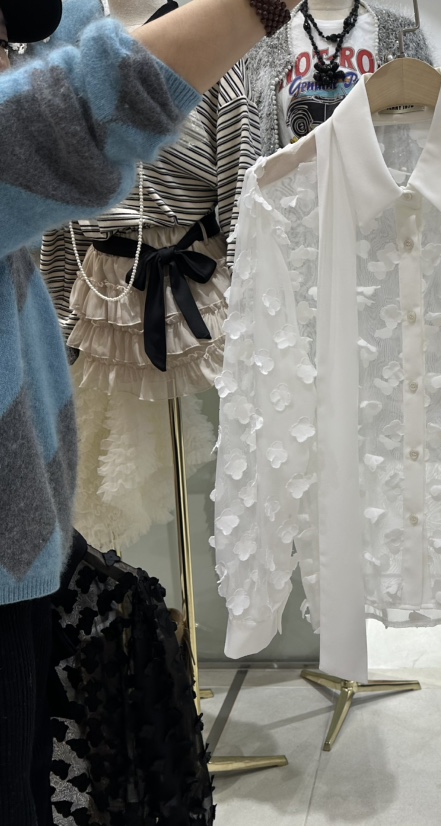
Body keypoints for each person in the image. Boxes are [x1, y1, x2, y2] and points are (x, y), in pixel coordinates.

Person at [0, 0, 300, 822]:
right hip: (108, 295)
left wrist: (253, 287)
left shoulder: (218, 81)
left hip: (189, 287)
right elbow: (71, 124)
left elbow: (241, 188)